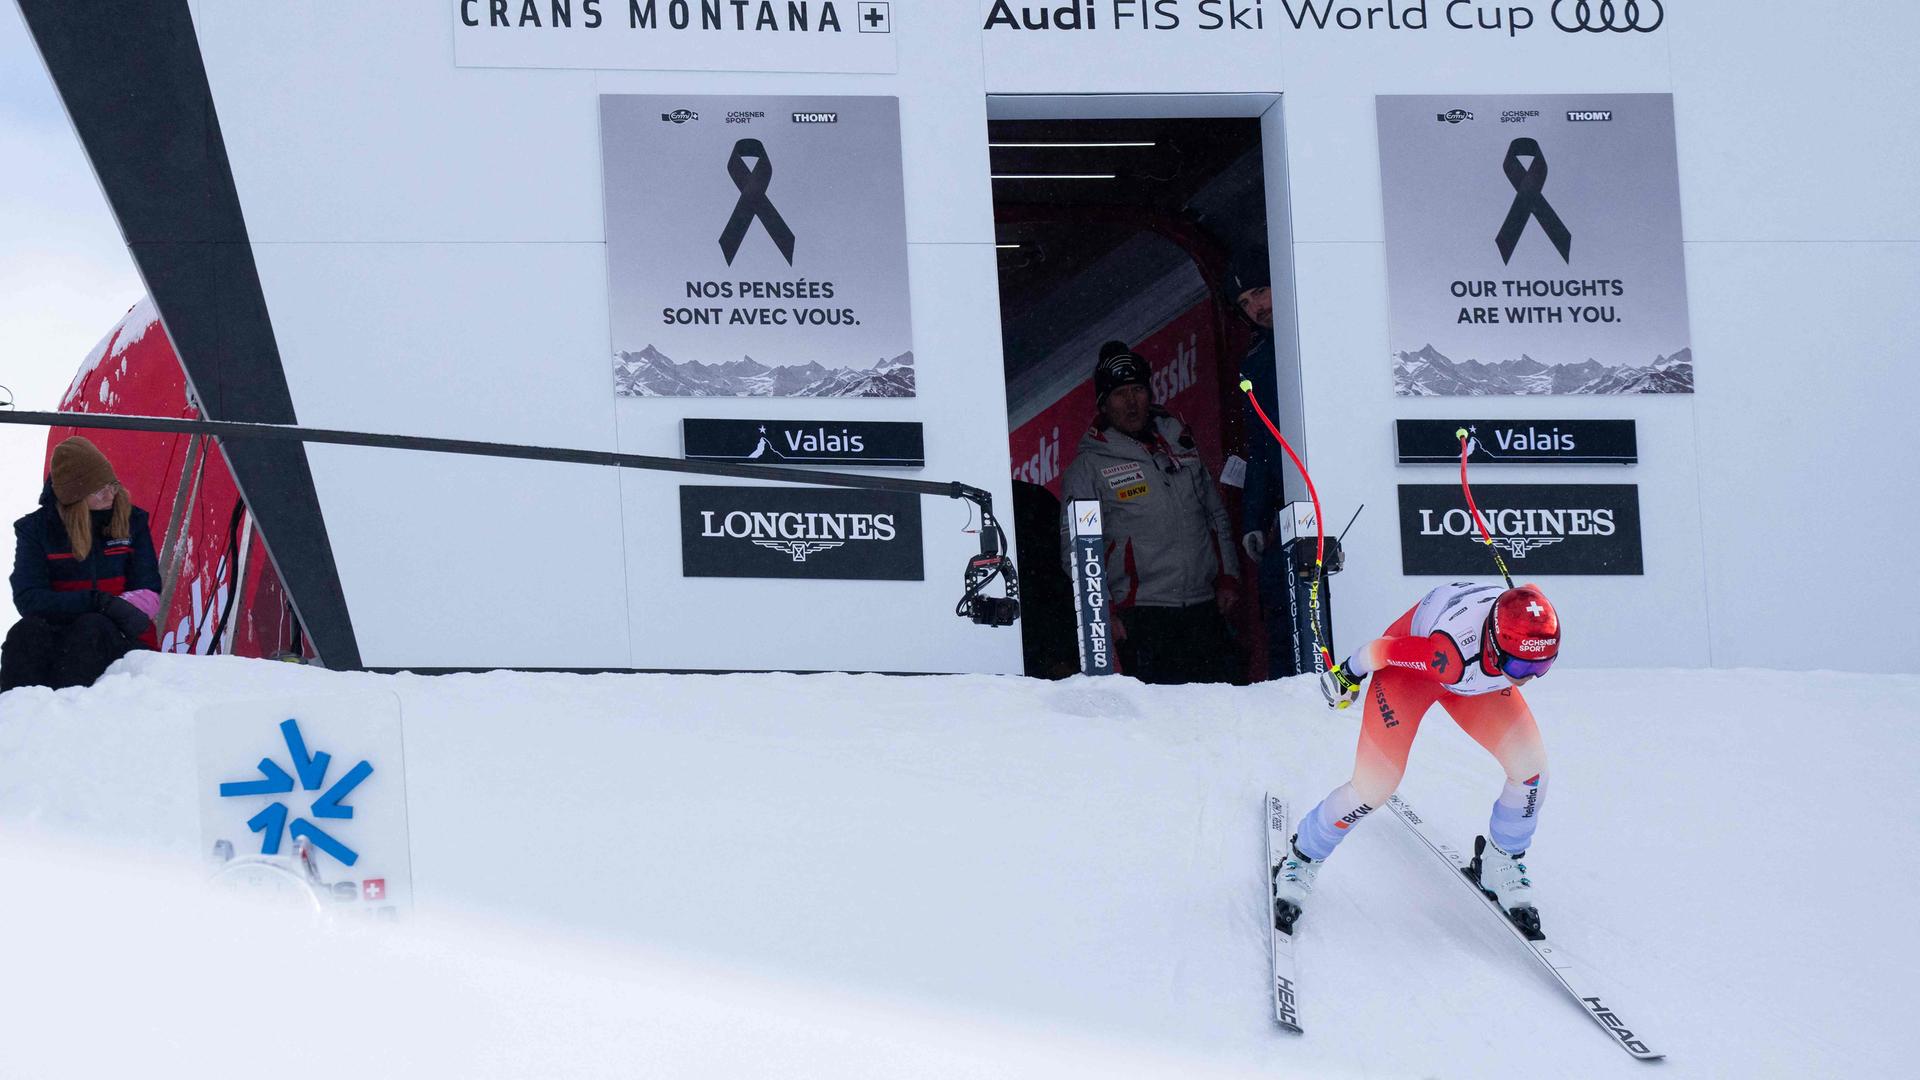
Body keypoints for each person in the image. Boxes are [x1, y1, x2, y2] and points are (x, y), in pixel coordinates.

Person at [1274, 581, 1561, 937]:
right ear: (1493, 643)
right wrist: (1346, 674)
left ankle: (1501, 861)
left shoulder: (1527, 620)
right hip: (1411, 675)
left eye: (1541, 667)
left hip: (1474, 678)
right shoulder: (1452, 654)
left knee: (1531, 771)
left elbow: (1524, 622)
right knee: (1373, 788)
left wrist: (1515, 666)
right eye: (1519, 667)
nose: (1528, 678)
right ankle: (1302, 858)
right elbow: (1380, 650)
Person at [1058, 341, 1241, 685]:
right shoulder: (1088, 466)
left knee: (1223, 708)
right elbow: (1076, 551)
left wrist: (1228, 577)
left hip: (1204, 607)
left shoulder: (1180, 444)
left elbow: (1215, 515)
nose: (1131, 402)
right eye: (1120, 394)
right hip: (1142, 615)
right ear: (1103, 404)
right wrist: (1104, 613)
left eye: (1138, 390)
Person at [3, 437, 162, 692]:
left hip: (118, 633)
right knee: (26, 634)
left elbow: (148, 591)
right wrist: (94, 601)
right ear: (74, 497)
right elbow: (29, 598)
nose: (110, 495)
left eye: (112, 485)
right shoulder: (36, 530)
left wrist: (107, 607)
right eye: (98, 491)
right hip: (57, 629)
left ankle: (73, 709)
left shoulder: (132, 522)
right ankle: (18, 710)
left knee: (91, 628)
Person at [1226, 245, 1301, 678]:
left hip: (1337, 492)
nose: (1256, 307)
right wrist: (1254, 518)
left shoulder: (1319, 331)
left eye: (1259, 291)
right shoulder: (1254, 362)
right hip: (1286, 509)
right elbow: (1260, 445)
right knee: (1279, 598)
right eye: (1244, 303)